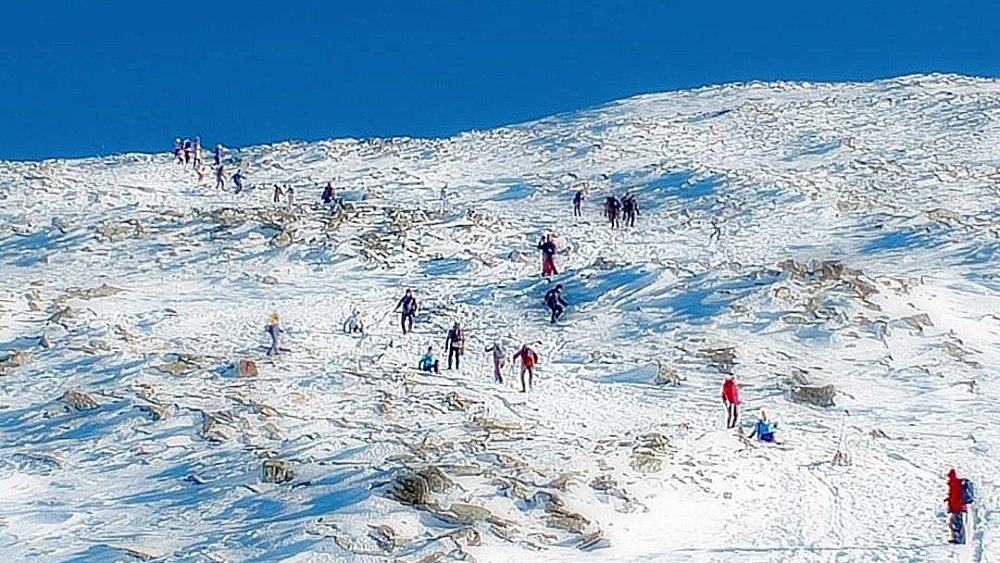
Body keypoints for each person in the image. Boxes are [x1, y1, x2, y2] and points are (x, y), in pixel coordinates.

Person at [947, 468, 970, 544]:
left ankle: (958, 538)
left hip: (957, 507)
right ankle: (956, 537)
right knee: (954, 522)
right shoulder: (956, 483)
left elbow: (955, 496)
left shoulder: (954, 484)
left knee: (956, 523)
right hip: (957, 506)